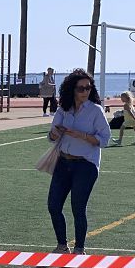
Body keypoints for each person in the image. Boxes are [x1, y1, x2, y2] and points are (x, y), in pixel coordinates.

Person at [47, 69, 111, 255]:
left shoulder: (96, 111)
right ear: (71, 89)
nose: (85, 91)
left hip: (86, 165)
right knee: (53, 206)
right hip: (63, 162)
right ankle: (61, 245)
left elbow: (105, 140)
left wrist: (82, 135)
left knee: (78, 207)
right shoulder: (63, 109)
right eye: (81, 88)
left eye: (88, 88)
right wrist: (55, 133)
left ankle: (79, 249)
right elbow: (51, 137)